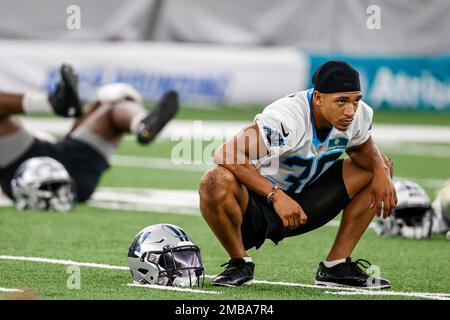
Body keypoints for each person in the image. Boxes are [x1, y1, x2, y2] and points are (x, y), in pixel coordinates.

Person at [199, 61, 397, 288]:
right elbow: (226, 152)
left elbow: (364, 151)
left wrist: (382, 170)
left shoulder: (357, 114)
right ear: (319, 98)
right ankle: (239, 262)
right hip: (258, 205)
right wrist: (276, 195)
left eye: (356, 100)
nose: (350, 110)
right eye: (341, 101)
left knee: (380, 167)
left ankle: (336, 266)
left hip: (307, 202)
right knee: (214, 181)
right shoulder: (287, 118)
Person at [0, 64, 179, 208]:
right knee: (116, 101)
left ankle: (56, 103)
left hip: (23, 168)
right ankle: (141, 124)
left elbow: (71, 137)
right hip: (71, 174)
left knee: (111, 100)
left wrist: (95, 107)